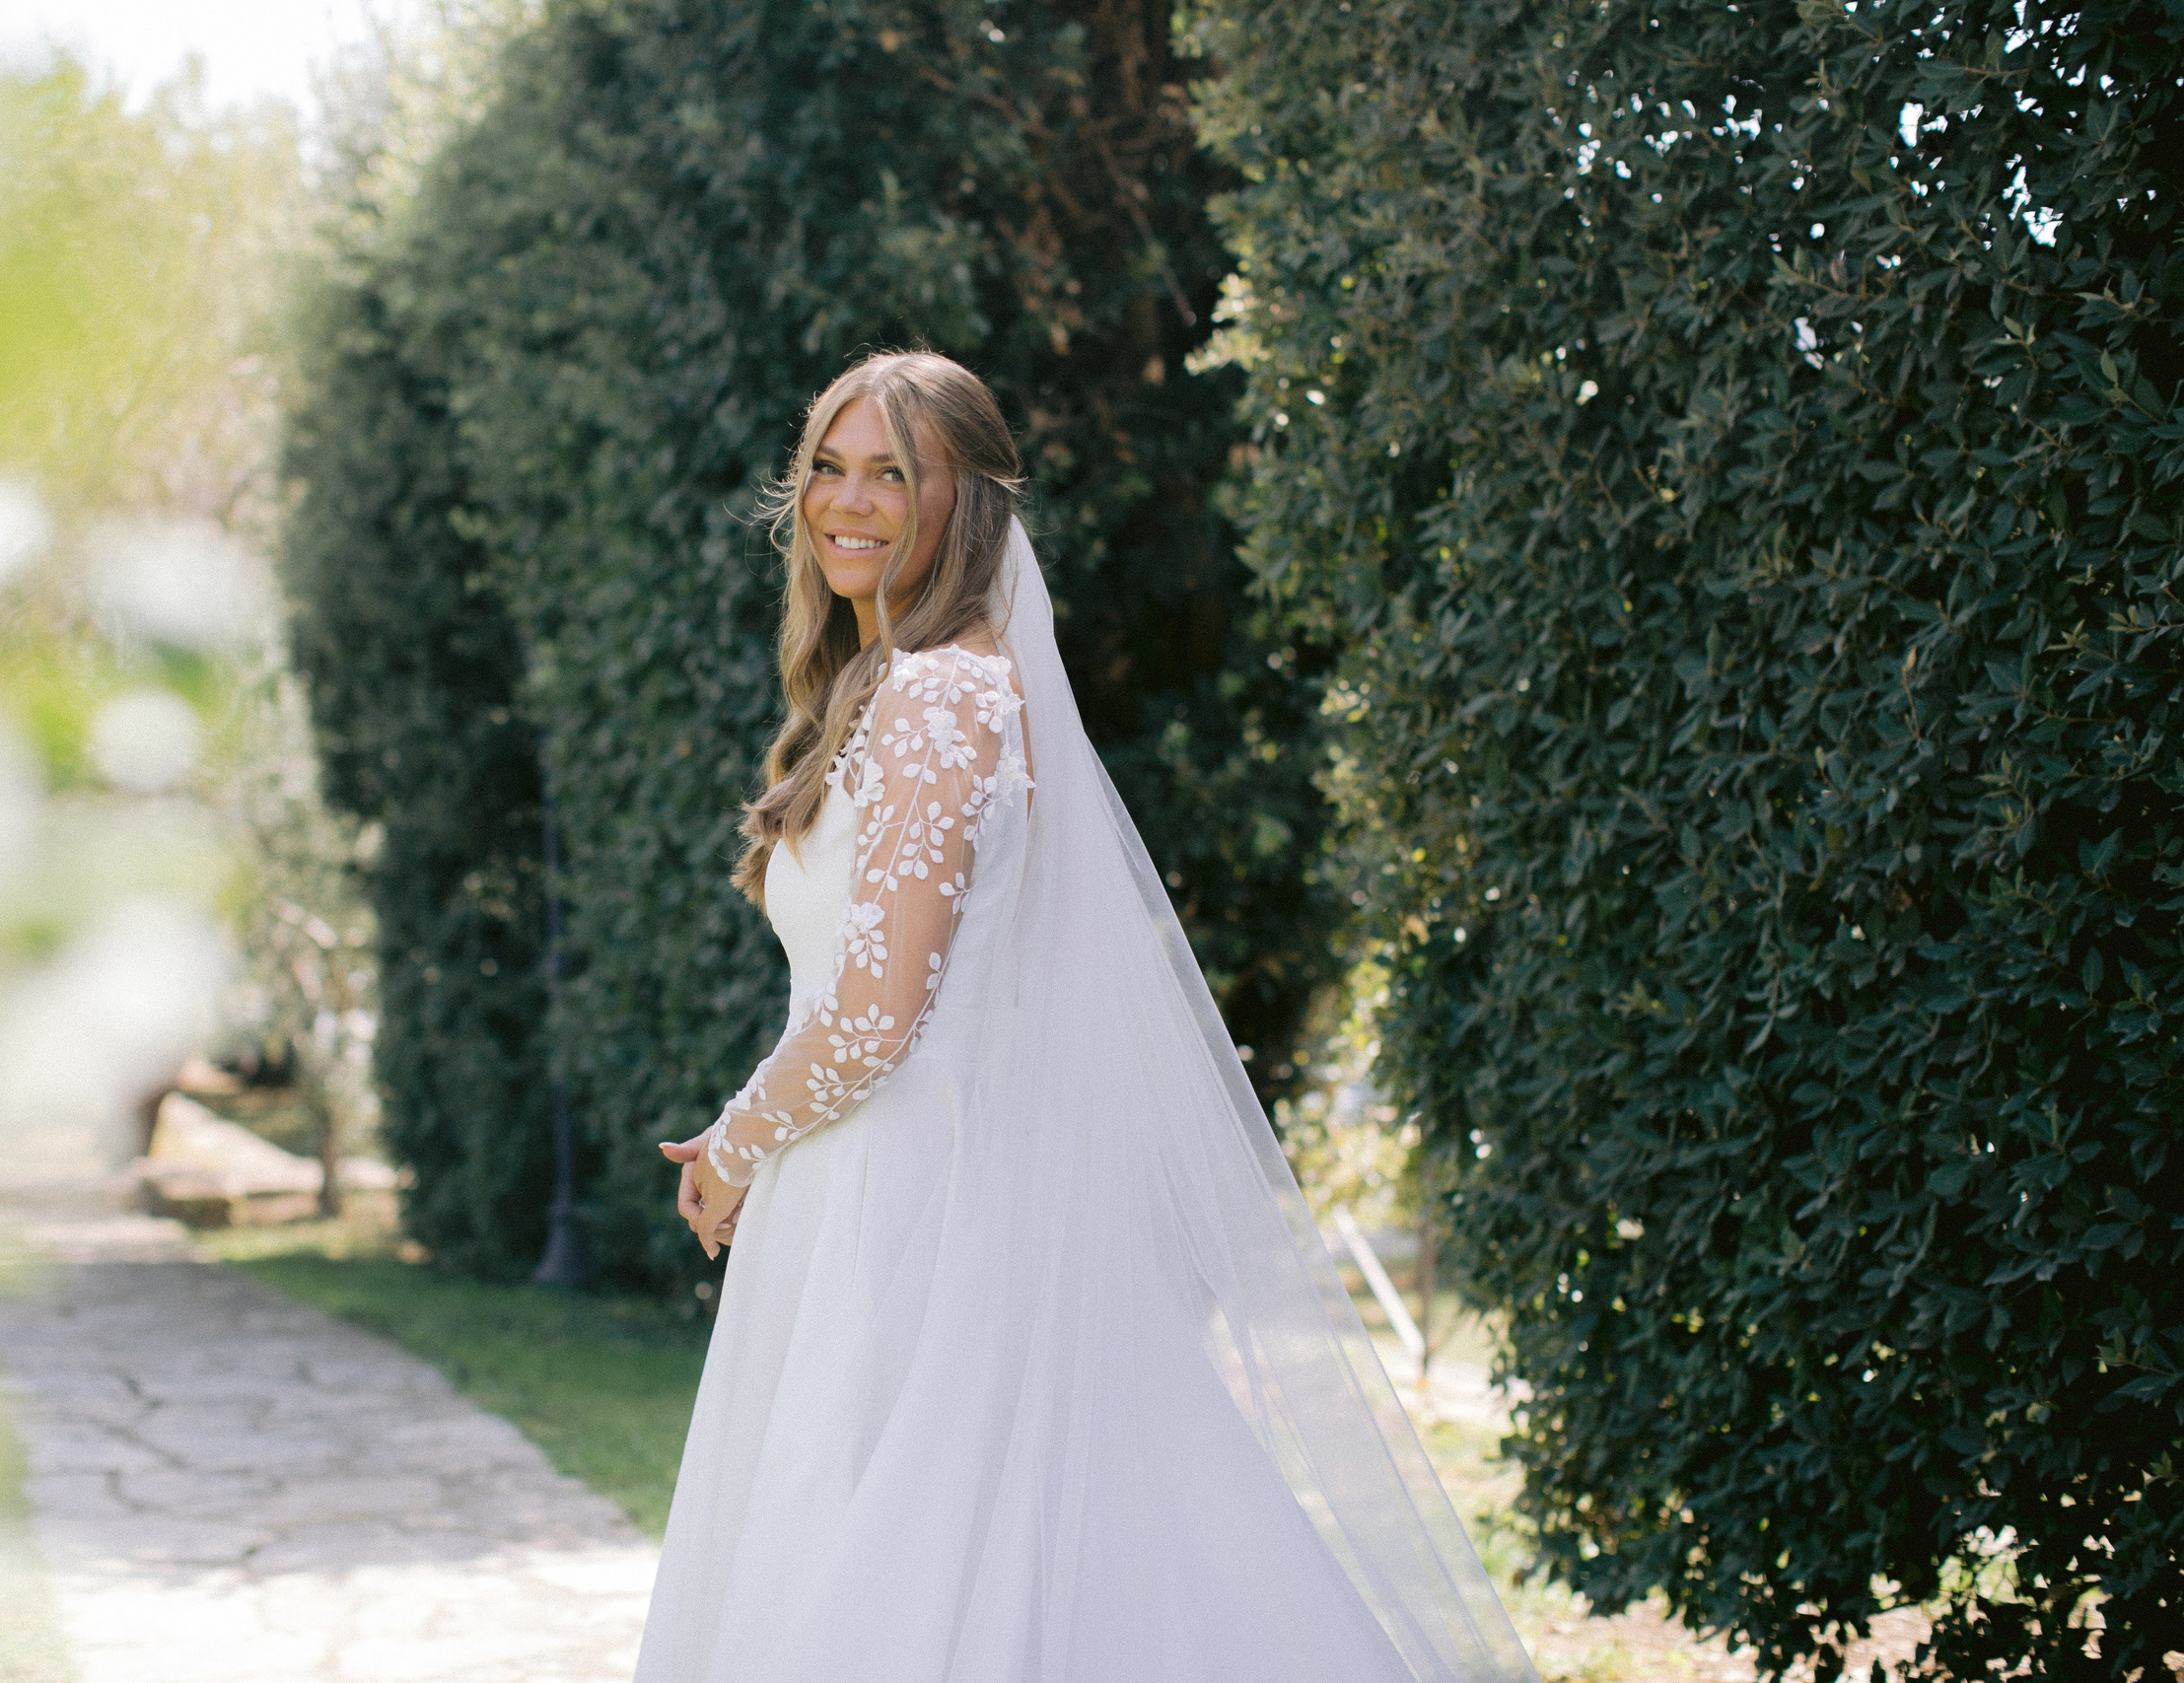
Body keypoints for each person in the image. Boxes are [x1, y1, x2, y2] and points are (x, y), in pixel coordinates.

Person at [639, 352, 1535, 1683]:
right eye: (830, 465)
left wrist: (731, 1146)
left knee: (898, 1582)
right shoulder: (917, 683)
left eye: (895, 471)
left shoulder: (943, 693)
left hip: (911, 1206)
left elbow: (879, 1016)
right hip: (897, 1187)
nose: (848, 500)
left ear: (970, 500)